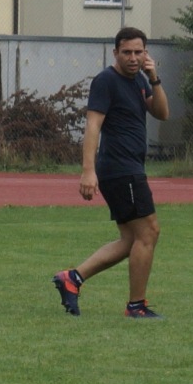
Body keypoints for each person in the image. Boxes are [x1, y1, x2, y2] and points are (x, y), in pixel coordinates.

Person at [53, 27, 171, 319]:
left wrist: (154, 78)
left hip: (129, 168)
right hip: (120, 169)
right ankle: (136, 306)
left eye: (138, 52)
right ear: (115, 53)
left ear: (146, 54)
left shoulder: (140, 80)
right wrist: (87, 171)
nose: (133, 58)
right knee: (149, 231)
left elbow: (162, 113)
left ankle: (72, 278)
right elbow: (93, 125)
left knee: (130, 240)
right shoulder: (106, 81)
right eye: (127, 52)